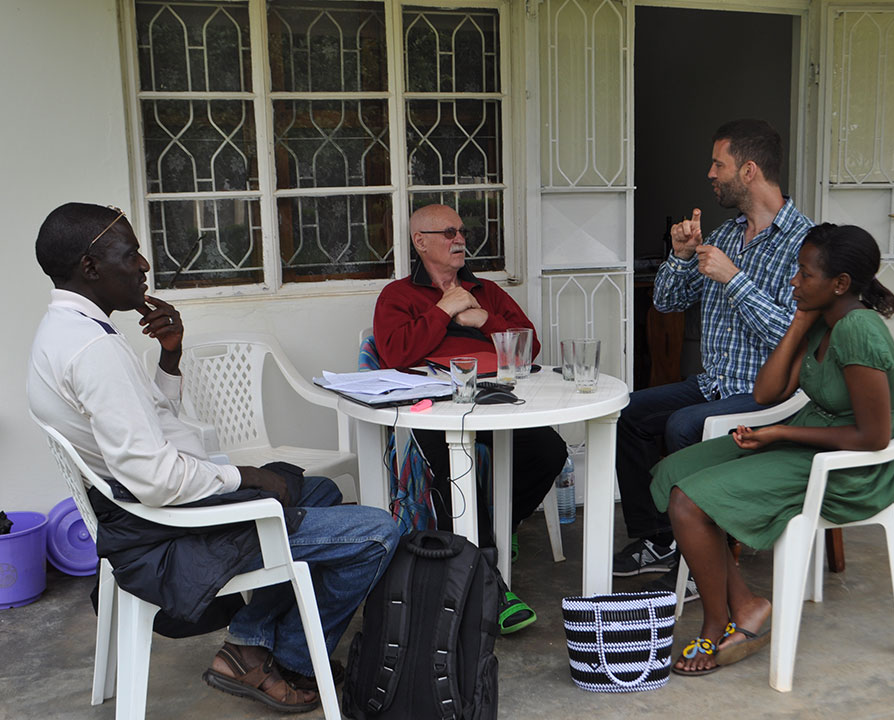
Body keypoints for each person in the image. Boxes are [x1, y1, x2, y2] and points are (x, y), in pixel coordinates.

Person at [27, 203, 401, 714]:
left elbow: (150, 424)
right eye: (129, 254)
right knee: (378, 531)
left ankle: (251, 642)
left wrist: (171, 357)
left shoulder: (65, 332)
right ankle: (284, 655)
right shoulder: (94, 351)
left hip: (139, 510)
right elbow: (156, 478)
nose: (143, 266)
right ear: (91, 268)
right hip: (164, 524)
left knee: (323, 492)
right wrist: (244, 475)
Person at [651, 223, 894, 675]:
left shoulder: (858, 331)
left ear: (840, 284)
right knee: (675, 473)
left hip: (852, 468)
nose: (793, 281)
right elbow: (768, 393)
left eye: (804, 275)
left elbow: (874, 437)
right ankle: (746, 605)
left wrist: (781, 436)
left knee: (688, 503)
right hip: (814, 440)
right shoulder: (823, 319)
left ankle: (717, 624)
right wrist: (800, 321)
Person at [614, 119, 814, 588]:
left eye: (717, 164)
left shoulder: (805, 244)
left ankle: (708, 551)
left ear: (748, 171)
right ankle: (659, 540)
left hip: (771, 393)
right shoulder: (724, 236)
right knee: (628, 413)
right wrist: (681, 255)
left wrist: (734, 280)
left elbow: (794, 336)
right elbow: (667, 302)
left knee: (686, 425)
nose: (709, 173)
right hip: (714, 383)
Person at [373, 203, 567, 634]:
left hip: (497, 396)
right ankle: (490, 586)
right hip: (436, 406)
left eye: (461, 231)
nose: (460, 239)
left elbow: (527, 346)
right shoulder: (398, 296)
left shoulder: (487, 290)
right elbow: (393, 354)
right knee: (452, 472)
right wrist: (444, 309)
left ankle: (503, 525)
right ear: (420, 242)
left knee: (549, 450)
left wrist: (482, 318)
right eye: (448, 232)